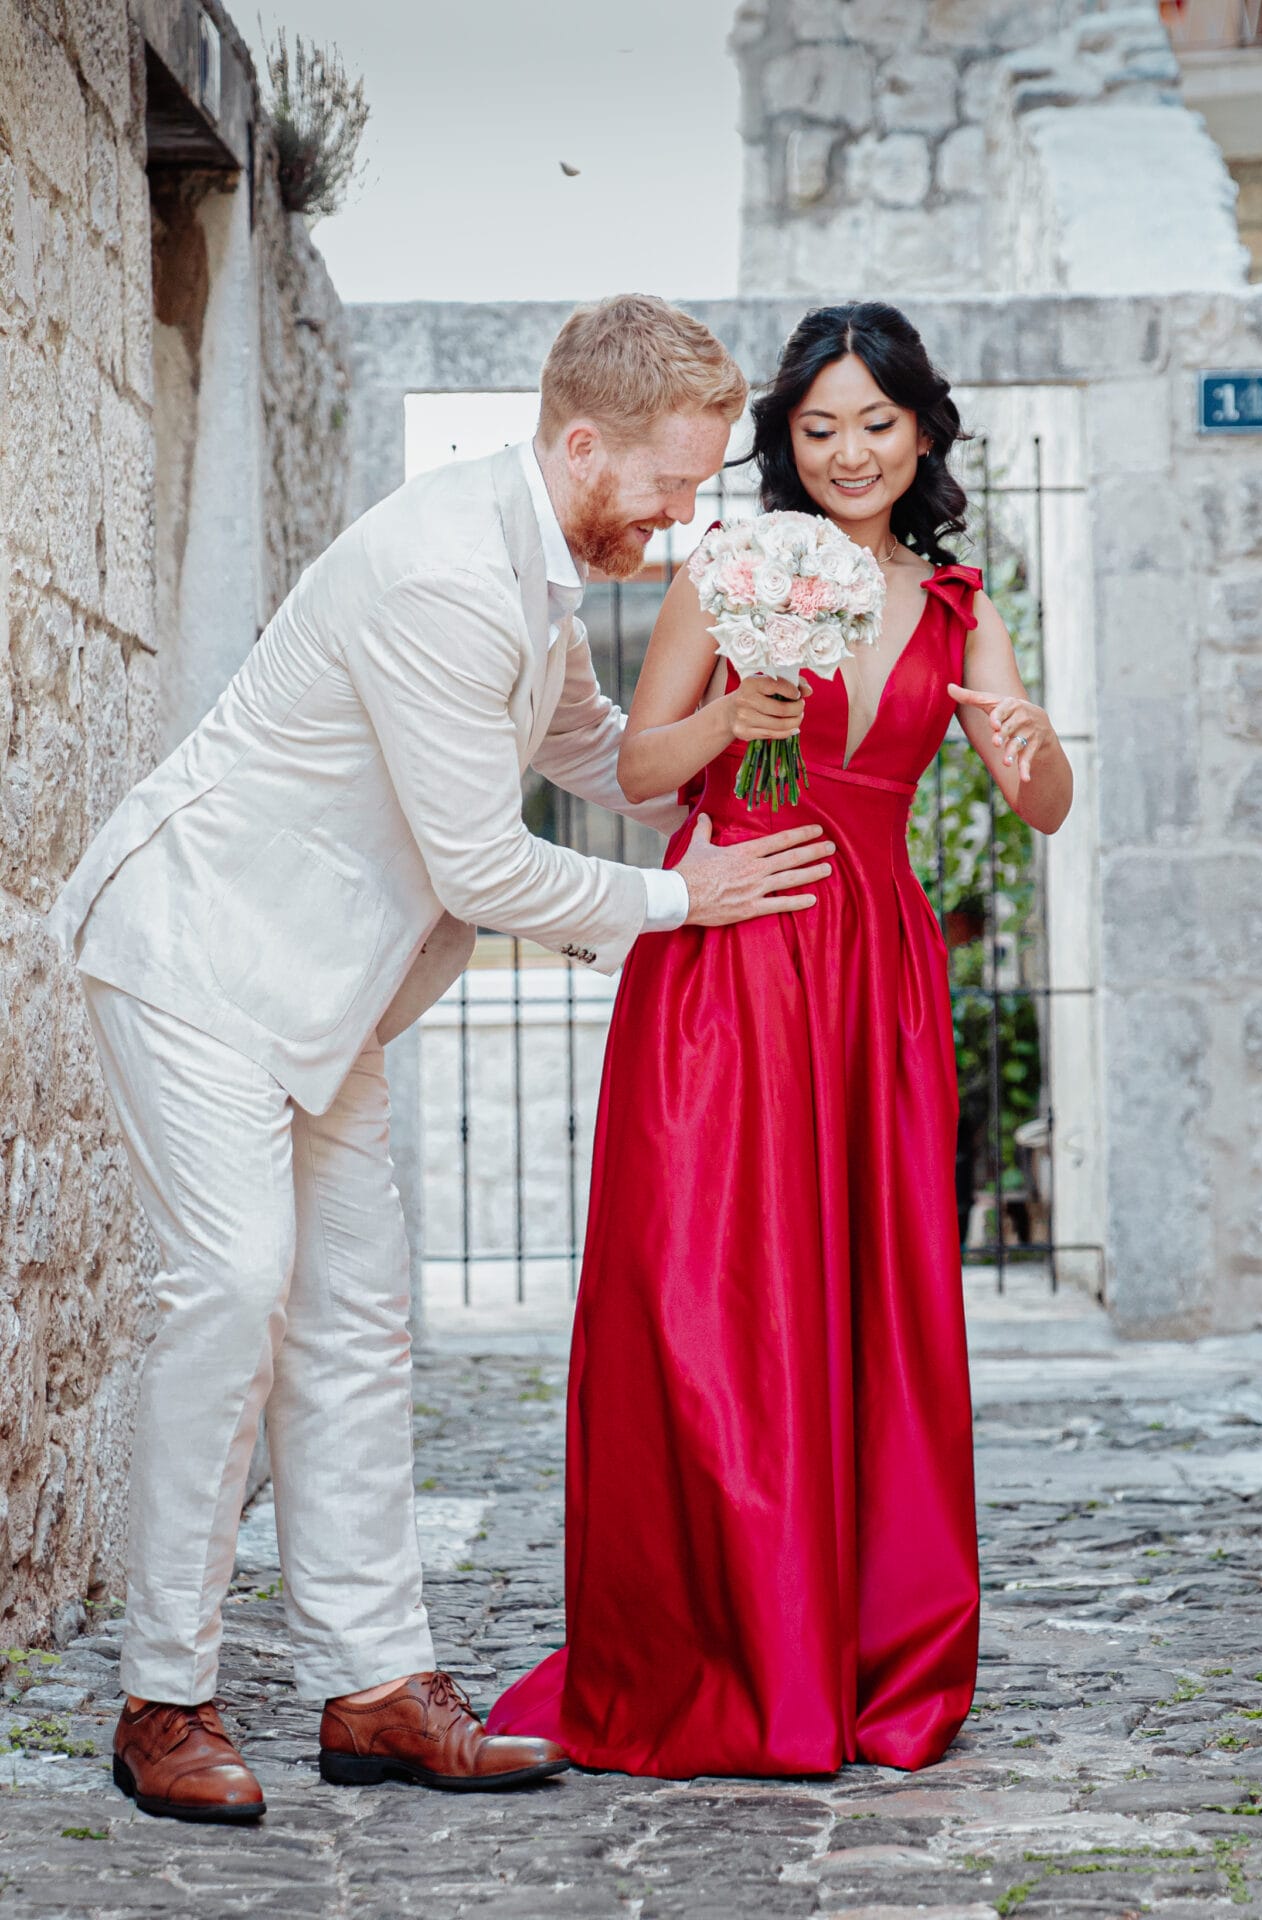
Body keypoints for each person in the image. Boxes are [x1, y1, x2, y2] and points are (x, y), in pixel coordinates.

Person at [45, 294, 835, 1823]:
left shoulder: (543, 575)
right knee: (231, 1294)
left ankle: (376, 1686)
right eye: (673, 484)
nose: (683, 522)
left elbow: (598, 762)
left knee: (358, 1323)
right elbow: (482, 866)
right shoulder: (452, 581)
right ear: (582, 439)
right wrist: (685, 898)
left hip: (327, 998)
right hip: (200, 958)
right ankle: (164, 1697)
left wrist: (738, 717)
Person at [489, 301, 1074, 1778]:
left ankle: (872, 1647)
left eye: (876, 423)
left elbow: (1044, 804)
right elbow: (633, 764)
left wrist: (1032, 752)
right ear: (785, 445)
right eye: (818, 428)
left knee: (872, 1299)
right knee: (708, 1298)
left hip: (875, 966)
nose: (849, 452)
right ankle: (733, 1639)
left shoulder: (958, 602)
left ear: (922, 431)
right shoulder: (732, 570)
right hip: (735, 946)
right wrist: (735, 715)